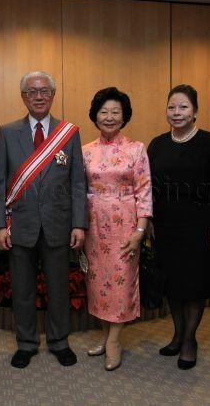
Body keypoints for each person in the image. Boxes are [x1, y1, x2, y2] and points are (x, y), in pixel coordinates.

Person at [0, 71, 87, 369]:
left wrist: (78, 223)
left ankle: (59, 342)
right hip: (19, 225)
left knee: (58, 288)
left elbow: (77, 184)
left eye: (45, 91)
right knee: (22, 290)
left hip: (58, 225)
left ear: (53, 95)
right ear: (23, 97)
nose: (39, 96)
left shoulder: (68, 133)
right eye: (32, 92)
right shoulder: (7, 132)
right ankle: (27, 343)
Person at [147, 84, 210, 370]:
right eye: (171, 107)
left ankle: (190, 340)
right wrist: (150, 221)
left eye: (183, 107)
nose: (176, 112)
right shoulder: (157, 144)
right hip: (166, 224)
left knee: (193, 285)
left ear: (195, 111)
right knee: (173, 284)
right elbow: (148, 188)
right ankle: (178, 334)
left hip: (199, 224)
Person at [82, 87, 152, 371]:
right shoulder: (84, 150)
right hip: (93, 226)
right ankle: (105, 334)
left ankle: (114, 340)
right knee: (97, 284)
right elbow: (77, 189)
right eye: (104, 112)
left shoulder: (137, 149)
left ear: (124, 117)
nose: (109, 117)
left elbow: (144, 190)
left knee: (121, 284)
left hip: (125, 225)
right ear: (95, 116)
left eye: (115, 112)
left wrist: (140, 230)